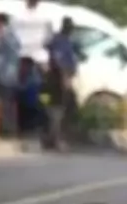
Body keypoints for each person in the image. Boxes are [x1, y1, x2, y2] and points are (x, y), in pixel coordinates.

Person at [45, 17, 77, 149]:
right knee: (59, 109)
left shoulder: (65, 40)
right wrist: (65, 78)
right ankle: (55, 139)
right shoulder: (59, 41)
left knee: (65, 108)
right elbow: (59, 60)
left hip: (62, 78)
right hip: (58, 79)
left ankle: (53, 138)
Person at [0, 13, 21, 137]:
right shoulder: (10, 35)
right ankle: (1, 130)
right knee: (2, 102)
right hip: (3, 74)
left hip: (2, 74)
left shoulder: (4, 35)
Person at [9, 0, 54, 67]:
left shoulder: (46, 14)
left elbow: (49, 36)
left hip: (34, 55)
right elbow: (49, 36)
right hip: (23, 54)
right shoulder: (16, 13)